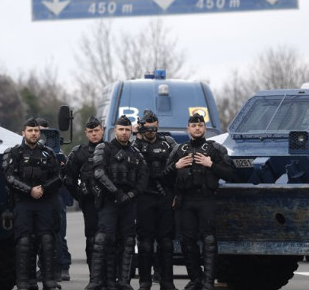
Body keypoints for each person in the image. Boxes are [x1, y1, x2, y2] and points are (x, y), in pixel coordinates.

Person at [165, 113, 234, 290]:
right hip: (185, 201)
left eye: (200, 125)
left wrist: (211, 164)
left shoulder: (215, 149)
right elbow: (164, 178)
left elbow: (231, 174)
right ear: (188, 129)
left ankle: (208, 283)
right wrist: (176, 166)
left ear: (204, 128)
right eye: (194, 126)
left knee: (209, 241)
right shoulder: (179, 150)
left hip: (206, 200)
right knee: (187, 242)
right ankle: (196, 279)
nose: (197, 128)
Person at [85, 115, 148, 290]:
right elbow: (99, 173)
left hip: (129, 202)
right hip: (109, 201)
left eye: (128, 130)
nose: (125, 133)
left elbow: (143, 178)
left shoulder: (137, 154)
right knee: (103, 239)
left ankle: (123, 281)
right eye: (121, 129)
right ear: (115, 130)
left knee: (128, 242)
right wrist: (116, 192)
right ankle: (97, 281)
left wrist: (131, 194)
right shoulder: (103, 148)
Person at [2, 117, 63, 290]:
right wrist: (29, 190)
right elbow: (9, 178)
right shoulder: (14, 153)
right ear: (23, 133)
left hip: (45, 203)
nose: (34, 133)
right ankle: (24, 281)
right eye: (30, 130)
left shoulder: (48, 153)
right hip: (23, 203)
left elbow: (59, 177)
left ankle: (49, 281)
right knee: (24, 242)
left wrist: (43, 188)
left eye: (36, 131)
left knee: (47, 240)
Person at [132, 110, 178, 290]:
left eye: (153, 126)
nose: (150, 130)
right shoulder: (135, 145)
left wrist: (176, 195)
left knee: (166, 242)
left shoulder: (168, 143)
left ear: (158, 125)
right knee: (144, 242)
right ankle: (145, 282)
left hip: (165, 197)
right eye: (147, 126)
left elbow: (177, 169)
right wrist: (136, 134)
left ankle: (167, 282)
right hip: (144, 197)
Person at [64, 116, 104, 274]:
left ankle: (110, 277)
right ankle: (94, 276)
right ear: (86, 133)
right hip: (89, 203)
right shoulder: (79, 153)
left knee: (110, 239)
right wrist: (80, 196)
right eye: (91, 131)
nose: (94, 134)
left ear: (102, 131)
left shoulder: (111, 150)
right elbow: (69, 179)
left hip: (110, 203)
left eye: (97, 130)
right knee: (92, 239)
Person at [36, 117, 72, 282]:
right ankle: (43, 268)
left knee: (58, 233)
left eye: (45, 131)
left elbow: (64, 176)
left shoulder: (57, 154)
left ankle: (62, 266)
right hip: (36, 195)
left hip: (55, 196)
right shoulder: (27, 152)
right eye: (38, 130)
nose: (41, 135)